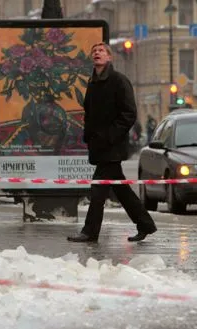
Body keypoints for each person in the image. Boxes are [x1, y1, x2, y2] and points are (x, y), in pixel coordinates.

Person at [67, 42, 157, 243]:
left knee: (98, 189)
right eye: (94, 51)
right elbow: (89, 113)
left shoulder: (119, 81)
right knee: (120, 189)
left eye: (101, 51)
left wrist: (109, 136)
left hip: (112, 146)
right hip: (99, 145)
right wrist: (89, 135)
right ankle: (145, 224)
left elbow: (129, 114)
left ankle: (90, 232)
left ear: (109, 57)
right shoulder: (93, 82)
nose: (96, 53)